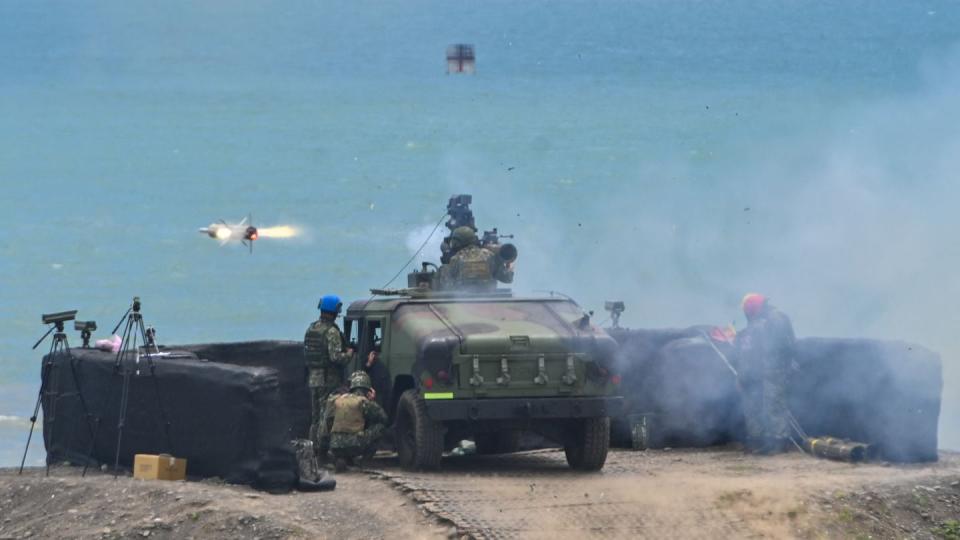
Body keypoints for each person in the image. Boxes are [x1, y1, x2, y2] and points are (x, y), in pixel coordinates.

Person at [733, 292, 797, 455]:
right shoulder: (759, 322)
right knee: (758, 406)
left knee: (774, 405)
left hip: (774, 370)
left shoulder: (775, 318)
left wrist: (777, 367)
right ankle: (760, 441)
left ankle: (779, 442)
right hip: (759, 371)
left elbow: (780, 346)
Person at [304, 294, 355, 453]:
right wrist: (349, 354)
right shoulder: (331, 332)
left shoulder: (311, 328)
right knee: (325, 416)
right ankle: (322, 452)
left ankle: (312, 451)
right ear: (334, 311)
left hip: (314, 378)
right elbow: (335, 357)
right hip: (328, 379)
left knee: (315, 417)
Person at [318, 371, 389, 471]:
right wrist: (372, 400)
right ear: (368, 389)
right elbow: (383, 418)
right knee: (380, 427)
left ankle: (341, 458)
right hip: (355, 445)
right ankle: (364, 461)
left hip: (335, 445)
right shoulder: (363, 402)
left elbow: (326, 424)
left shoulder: (337, 400)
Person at [437, 226, 513, 290]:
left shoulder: (456, 259)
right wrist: (509, 263)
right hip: (489, 299)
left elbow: (445, 286)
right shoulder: (489, 256)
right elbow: (507, 278)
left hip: (463, 300)